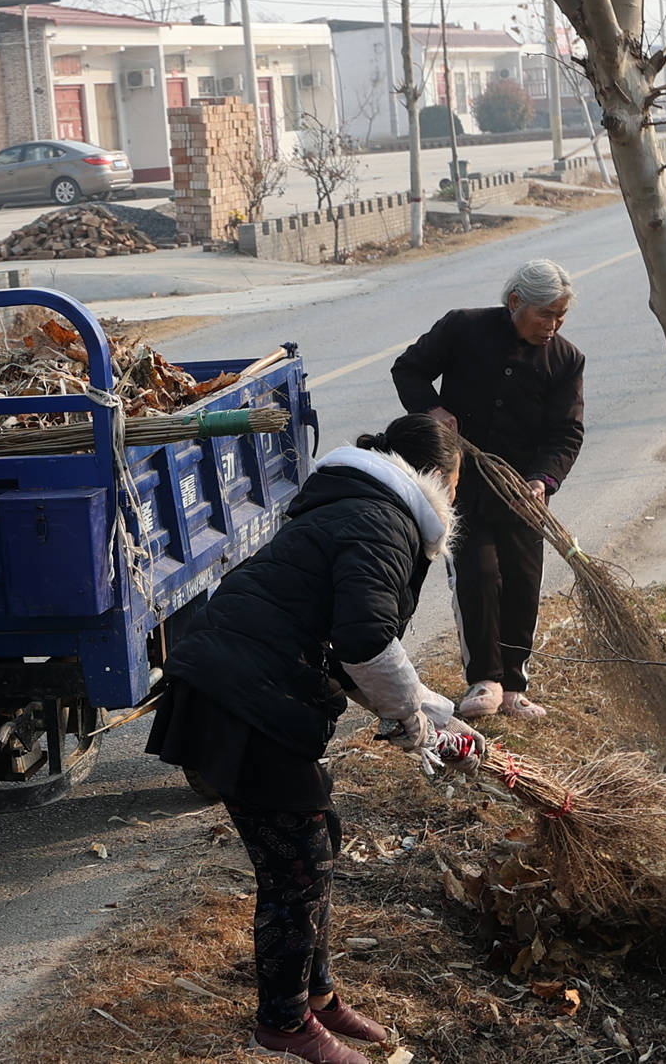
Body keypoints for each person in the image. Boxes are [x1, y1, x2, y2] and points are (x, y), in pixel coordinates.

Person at [148, 416, 481, 1064]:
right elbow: (363, 643)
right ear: (441, 479)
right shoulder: (384, 522)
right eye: (459, 482)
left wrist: (435, 715)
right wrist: (411, 724)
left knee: (316, 838)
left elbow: (347, 644)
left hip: (249, 687)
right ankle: (283, 1021)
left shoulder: (364, 505)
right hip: (241, 698)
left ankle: (317, 994)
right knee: (295, 864)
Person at [391, 258, 585, 721]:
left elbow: (566, 433)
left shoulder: (565, 359)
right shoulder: (463, 328)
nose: (553, 326)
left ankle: (515, 685)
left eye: (561, 316)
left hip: (523, 490)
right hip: (462, 485)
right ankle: (484, 679)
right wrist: (432, 410)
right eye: (546, 314)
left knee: (522, 579)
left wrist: (542, 480)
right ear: (516, 301)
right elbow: (409, 370)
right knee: (477, 576)